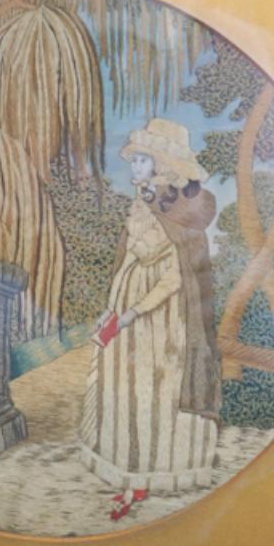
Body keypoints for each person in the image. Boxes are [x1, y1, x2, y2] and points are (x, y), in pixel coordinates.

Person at [79, 118, 221, 520]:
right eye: (134, 160)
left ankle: (149, 476)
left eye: (142, 160)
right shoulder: (142, 202)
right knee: (126, 391)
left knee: (157, 393)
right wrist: (112, 309)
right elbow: (127, 259)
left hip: (161, 318)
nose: (134, 166)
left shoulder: (182, 211)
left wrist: (132, 313)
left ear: (163, 165)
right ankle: (131, 473)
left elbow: (176, 277)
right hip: (129, 306)